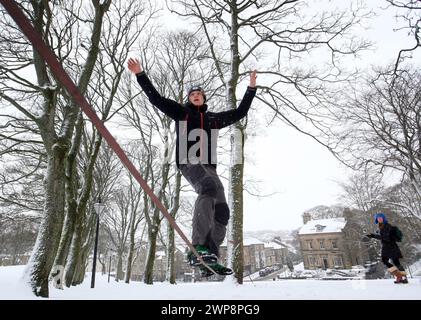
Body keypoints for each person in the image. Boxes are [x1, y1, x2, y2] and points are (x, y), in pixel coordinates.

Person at [127, 58, 257, 276]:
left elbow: (239, 113)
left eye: (199, 94)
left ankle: (210, 255)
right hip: (189, 161)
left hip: (209, 167)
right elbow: (156, 99)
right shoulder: (182, 113)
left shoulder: (214, 119)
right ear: (188, 100)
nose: (195, 96)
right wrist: (140, 74)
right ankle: (198, 246)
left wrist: (251, 88)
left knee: (222, 211)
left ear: (204, 98)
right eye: (192, 95)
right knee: (207, 187)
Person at [366, 212, 408, 284]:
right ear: (376, 219)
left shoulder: (387, 226)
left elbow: (385, 237)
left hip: (391, 246)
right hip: (386, 247)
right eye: (378, 218)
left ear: (383, 218)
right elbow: (383, 237)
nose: (379, 219)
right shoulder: (381, 226)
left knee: (395, 262)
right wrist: (373, 235)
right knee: (386, 261)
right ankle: (399, 276)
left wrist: (374, 236)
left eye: (380, 218)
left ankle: (403, 277)